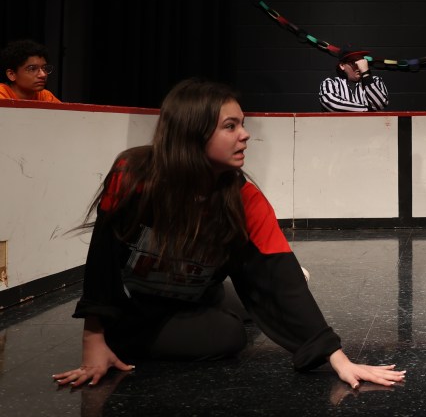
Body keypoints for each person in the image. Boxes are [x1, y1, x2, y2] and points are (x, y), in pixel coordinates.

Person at [52, 78, 405, 389]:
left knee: (268, 293)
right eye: (230, 126)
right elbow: (102, 260)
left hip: (196, 293)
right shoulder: (132, 174)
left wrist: (337, 357)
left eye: (242, 124)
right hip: (137, 309)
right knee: (229, 334)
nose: (245, 135)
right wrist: (93, 340)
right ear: (193, 132)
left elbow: (281, 277)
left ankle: (229, 301)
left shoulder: (244, 198)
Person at [319, 49, 390, 112]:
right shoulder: (331, 83)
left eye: (361, 61)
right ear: (342, 66)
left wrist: (366, 74)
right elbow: (332, 104)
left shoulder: (375, 81)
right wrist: (367, 110)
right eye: (353, 62)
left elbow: (380, 104)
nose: (359, 66)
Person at [0, 38, 62, 102]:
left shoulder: (45, 96)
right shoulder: (2, 94)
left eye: (44, 68)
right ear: (11, 74)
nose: (43, 75)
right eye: (32, 69)